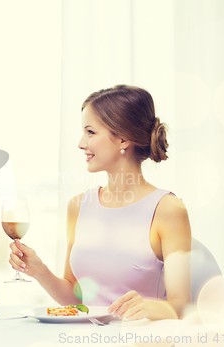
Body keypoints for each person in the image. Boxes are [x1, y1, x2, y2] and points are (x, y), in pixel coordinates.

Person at [10, 85, 191, 321]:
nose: (81, 143)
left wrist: (150, 308)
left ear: (123, 138)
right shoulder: (79, 206)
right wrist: (40, 271)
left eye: (90, 132)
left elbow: (181, 305)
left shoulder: (167, 209)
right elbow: (77, 300)